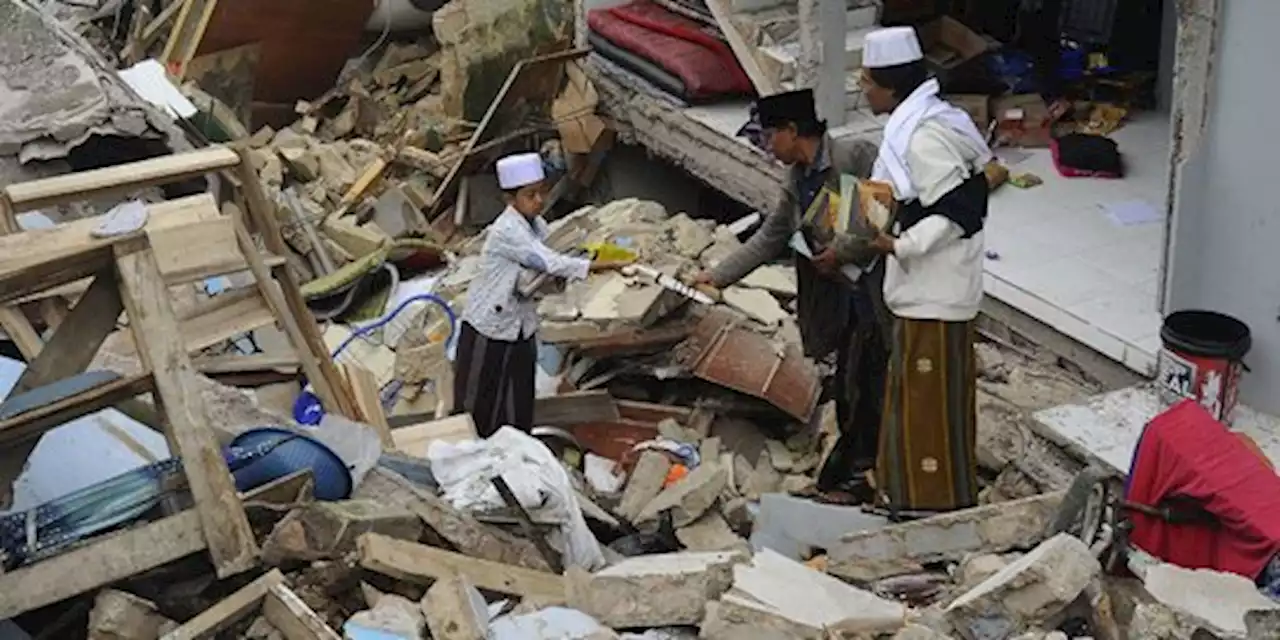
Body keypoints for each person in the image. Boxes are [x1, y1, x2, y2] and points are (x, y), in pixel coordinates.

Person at [691, 89, 889, 502]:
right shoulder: (796, 179)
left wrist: (839, 253)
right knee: (850, 385)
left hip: (871, 294)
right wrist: (716, 276)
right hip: (836, 296)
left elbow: (877, 218)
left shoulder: (854, 157)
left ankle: (860, 479)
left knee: (867, 385)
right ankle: (852, 476)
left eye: (768, 137)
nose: (765, 148)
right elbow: (770, 237)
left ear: (792, 131)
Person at [858, 26, 994, 514]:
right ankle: (904, 497)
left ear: (890, 86)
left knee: (928, 406)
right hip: (925, 290)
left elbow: (961, 209)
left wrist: (900, 243)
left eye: (868, 81)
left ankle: (931, 509)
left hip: (936, 290)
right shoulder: (920, 125)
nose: (862, 90)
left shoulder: (924, 136)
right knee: (917, 399)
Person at [454, 152, 630, 437]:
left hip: (520, 325)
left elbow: (550, 260)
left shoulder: (537, 225)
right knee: (478, 404)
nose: (539, 200)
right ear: (510, 199)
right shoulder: (507, 230)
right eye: (530, 195)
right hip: (488, 327)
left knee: (519, 399)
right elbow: (548, 262)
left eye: (542, 192)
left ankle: (515, 451)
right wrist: (599, 265)